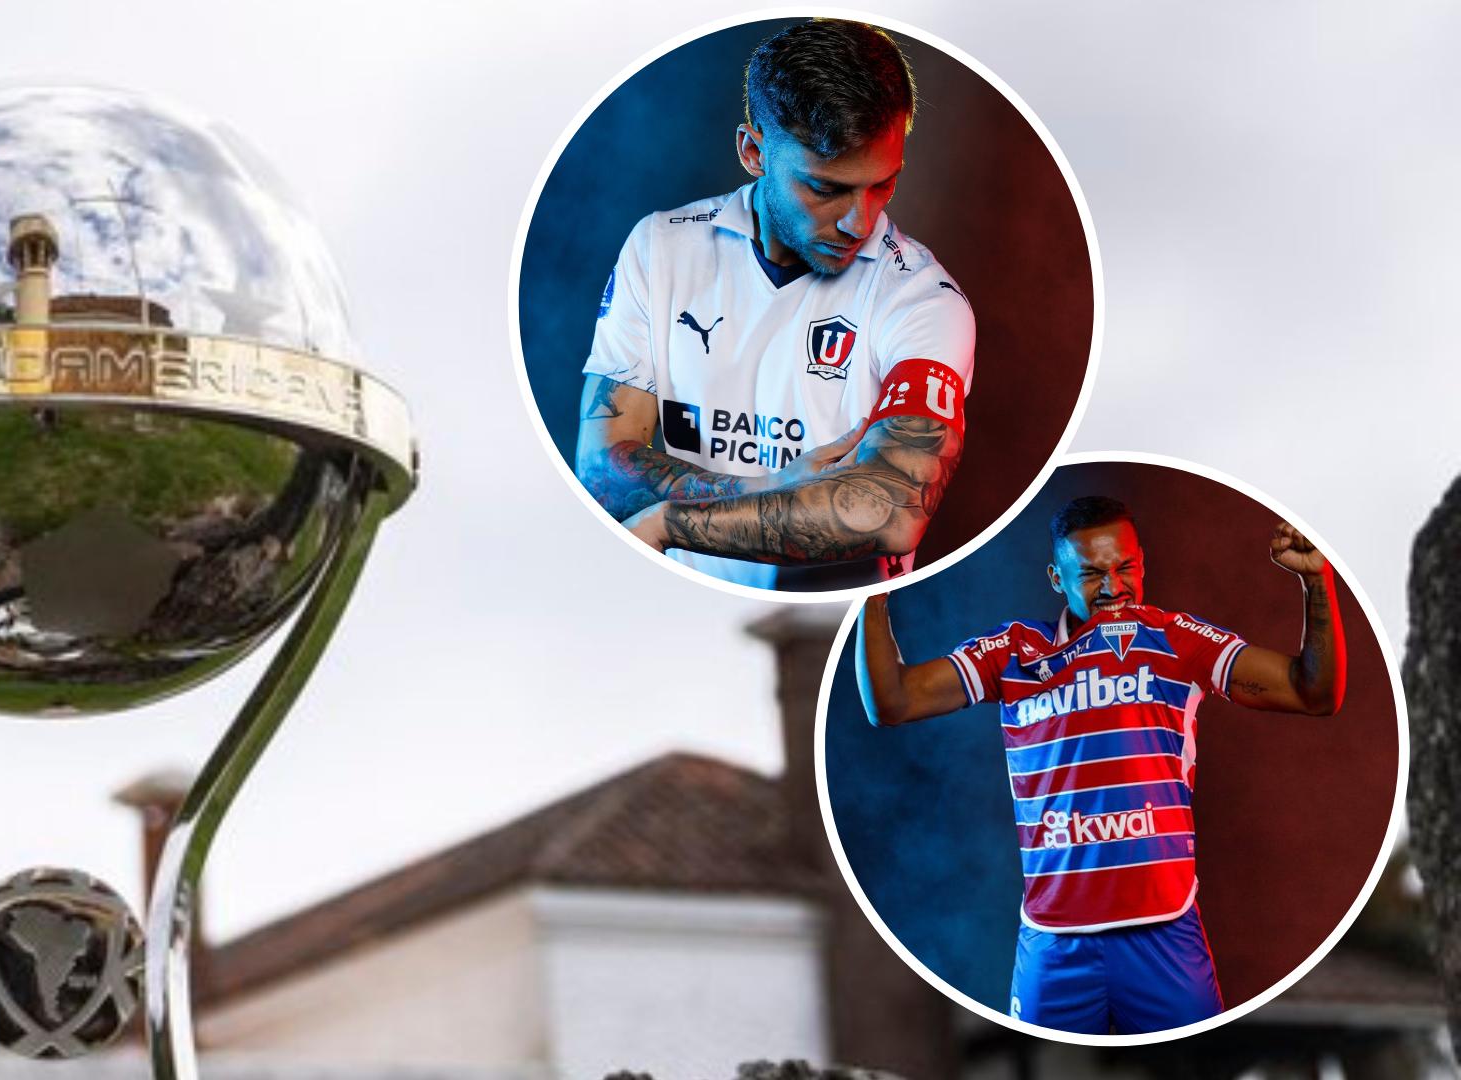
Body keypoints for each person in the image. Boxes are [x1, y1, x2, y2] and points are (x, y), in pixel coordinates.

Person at [855, 495, 1346, 1034]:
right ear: (1056, 578)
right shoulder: (1017, 651)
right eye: (1090, 574)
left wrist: (1316, 583)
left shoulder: (1176, 639)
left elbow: (1313, 693)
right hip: (1053, 939)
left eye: (1125, 569)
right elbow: (893, 702)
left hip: (1164, 932)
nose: (1113, 588)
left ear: (1142, 564)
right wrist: (874, 582)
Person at [576, 18, 975, 591]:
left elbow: (890, 510)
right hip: (686, 614)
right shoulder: (662, 248)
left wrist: (669, 521)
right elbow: (601, 465)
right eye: (826, 188)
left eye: (882, 185)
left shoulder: (922, 299)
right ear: (753, 151)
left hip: (823, 629)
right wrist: (769, 487)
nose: (857, 222)